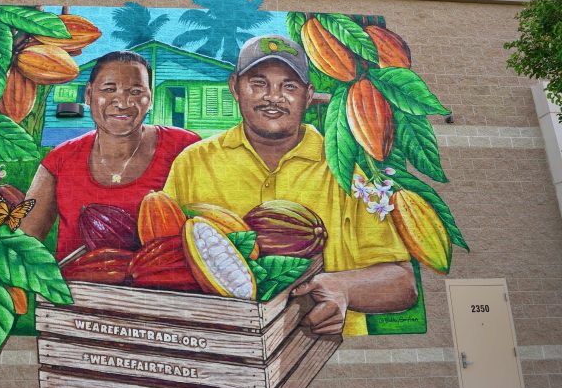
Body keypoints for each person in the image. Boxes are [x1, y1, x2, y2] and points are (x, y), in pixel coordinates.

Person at [163, 35, 416, 336]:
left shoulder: (347, 168)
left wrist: (343, 288)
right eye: (258, 83)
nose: (273, 96)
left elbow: (403, 283)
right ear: (235, 88)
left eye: (289, 86)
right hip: (221, 343)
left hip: (320, 349)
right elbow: (162, 256)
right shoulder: (193, 163)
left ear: (308, 95)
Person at [22, 51, 200, 260]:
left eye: (135, 91)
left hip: (160, 289)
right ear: (88, 95)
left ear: (149, 98)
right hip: (77, 287)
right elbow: (25, 242)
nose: (123, 102)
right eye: (109, 89)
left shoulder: (183, 147)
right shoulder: (61, 159)